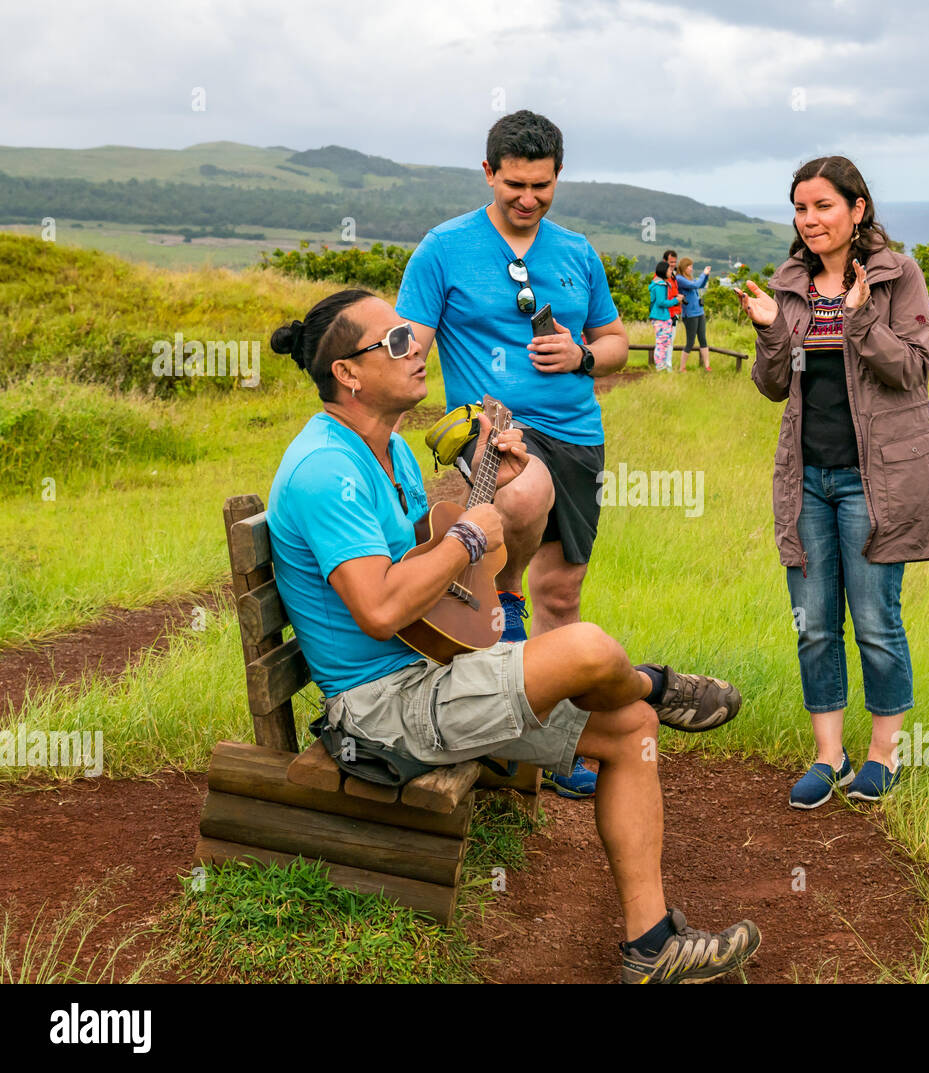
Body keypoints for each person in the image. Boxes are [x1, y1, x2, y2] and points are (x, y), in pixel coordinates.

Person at [266, 289, 759, 983]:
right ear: (347, 373)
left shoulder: (392, 453)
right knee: (587, 648)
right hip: (379, 710)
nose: (420, 347)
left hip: (429, 668)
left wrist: (503, 491)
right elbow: (379, 609)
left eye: (414, 333)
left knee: (632, 726)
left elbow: (427, 569)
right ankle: (658, 678)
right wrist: (470, 533)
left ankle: (651, 947)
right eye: (398, 341)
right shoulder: (327, 470)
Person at [396, 111, 627, 800]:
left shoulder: (578, 252)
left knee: (565, 592)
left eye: (543, 185)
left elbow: (615, 340)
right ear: (489, 172)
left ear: (558, 178)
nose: (529, 198)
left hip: (578, 436)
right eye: (516, 184)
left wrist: (583, 354)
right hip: (488, 429)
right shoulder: (443, 248)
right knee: (524, 497)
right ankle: (504, 595)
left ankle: (560, 741)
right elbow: (410, 343)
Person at [735, 156, 929, 809]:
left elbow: (912, 371)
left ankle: (883, 755)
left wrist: (861, 316)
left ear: (857, 209)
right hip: (806, 477)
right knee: (814, 621)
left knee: (873, 618)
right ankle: (829, 755)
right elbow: (774, 384)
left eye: (823, 206)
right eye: (800, 208)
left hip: (876, 480)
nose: (810, 220)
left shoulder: (898, 277)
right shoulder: (790, 283)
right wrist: (769, 334)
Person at [674, 257, 712, 372]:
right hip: (689, 314)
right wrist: (703, 274)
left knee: (703, 339)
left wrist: (706, 276)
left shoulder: (689, 278)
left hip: (699, 312)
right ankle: (682, 367)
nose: (691, 269)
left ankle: (707, 366)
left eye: (691, 266)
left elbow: (700, 285)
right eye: (689, 266)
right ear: (683, 267)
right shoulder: (679, 279)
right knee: (690, 341)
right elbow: (695, 285)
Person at [647, 261, 676, 371]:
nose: (671, 272)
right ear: (664, 271)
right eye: (669, 270)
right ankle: (660, 367)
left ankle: (661, 365)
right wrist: (675, 300)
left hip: (660, 316)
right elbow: (661, 302)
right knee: (662, 342)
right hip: (661, 317)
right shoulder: (660, 285)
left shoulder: (657, 283)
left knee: (664, 342)